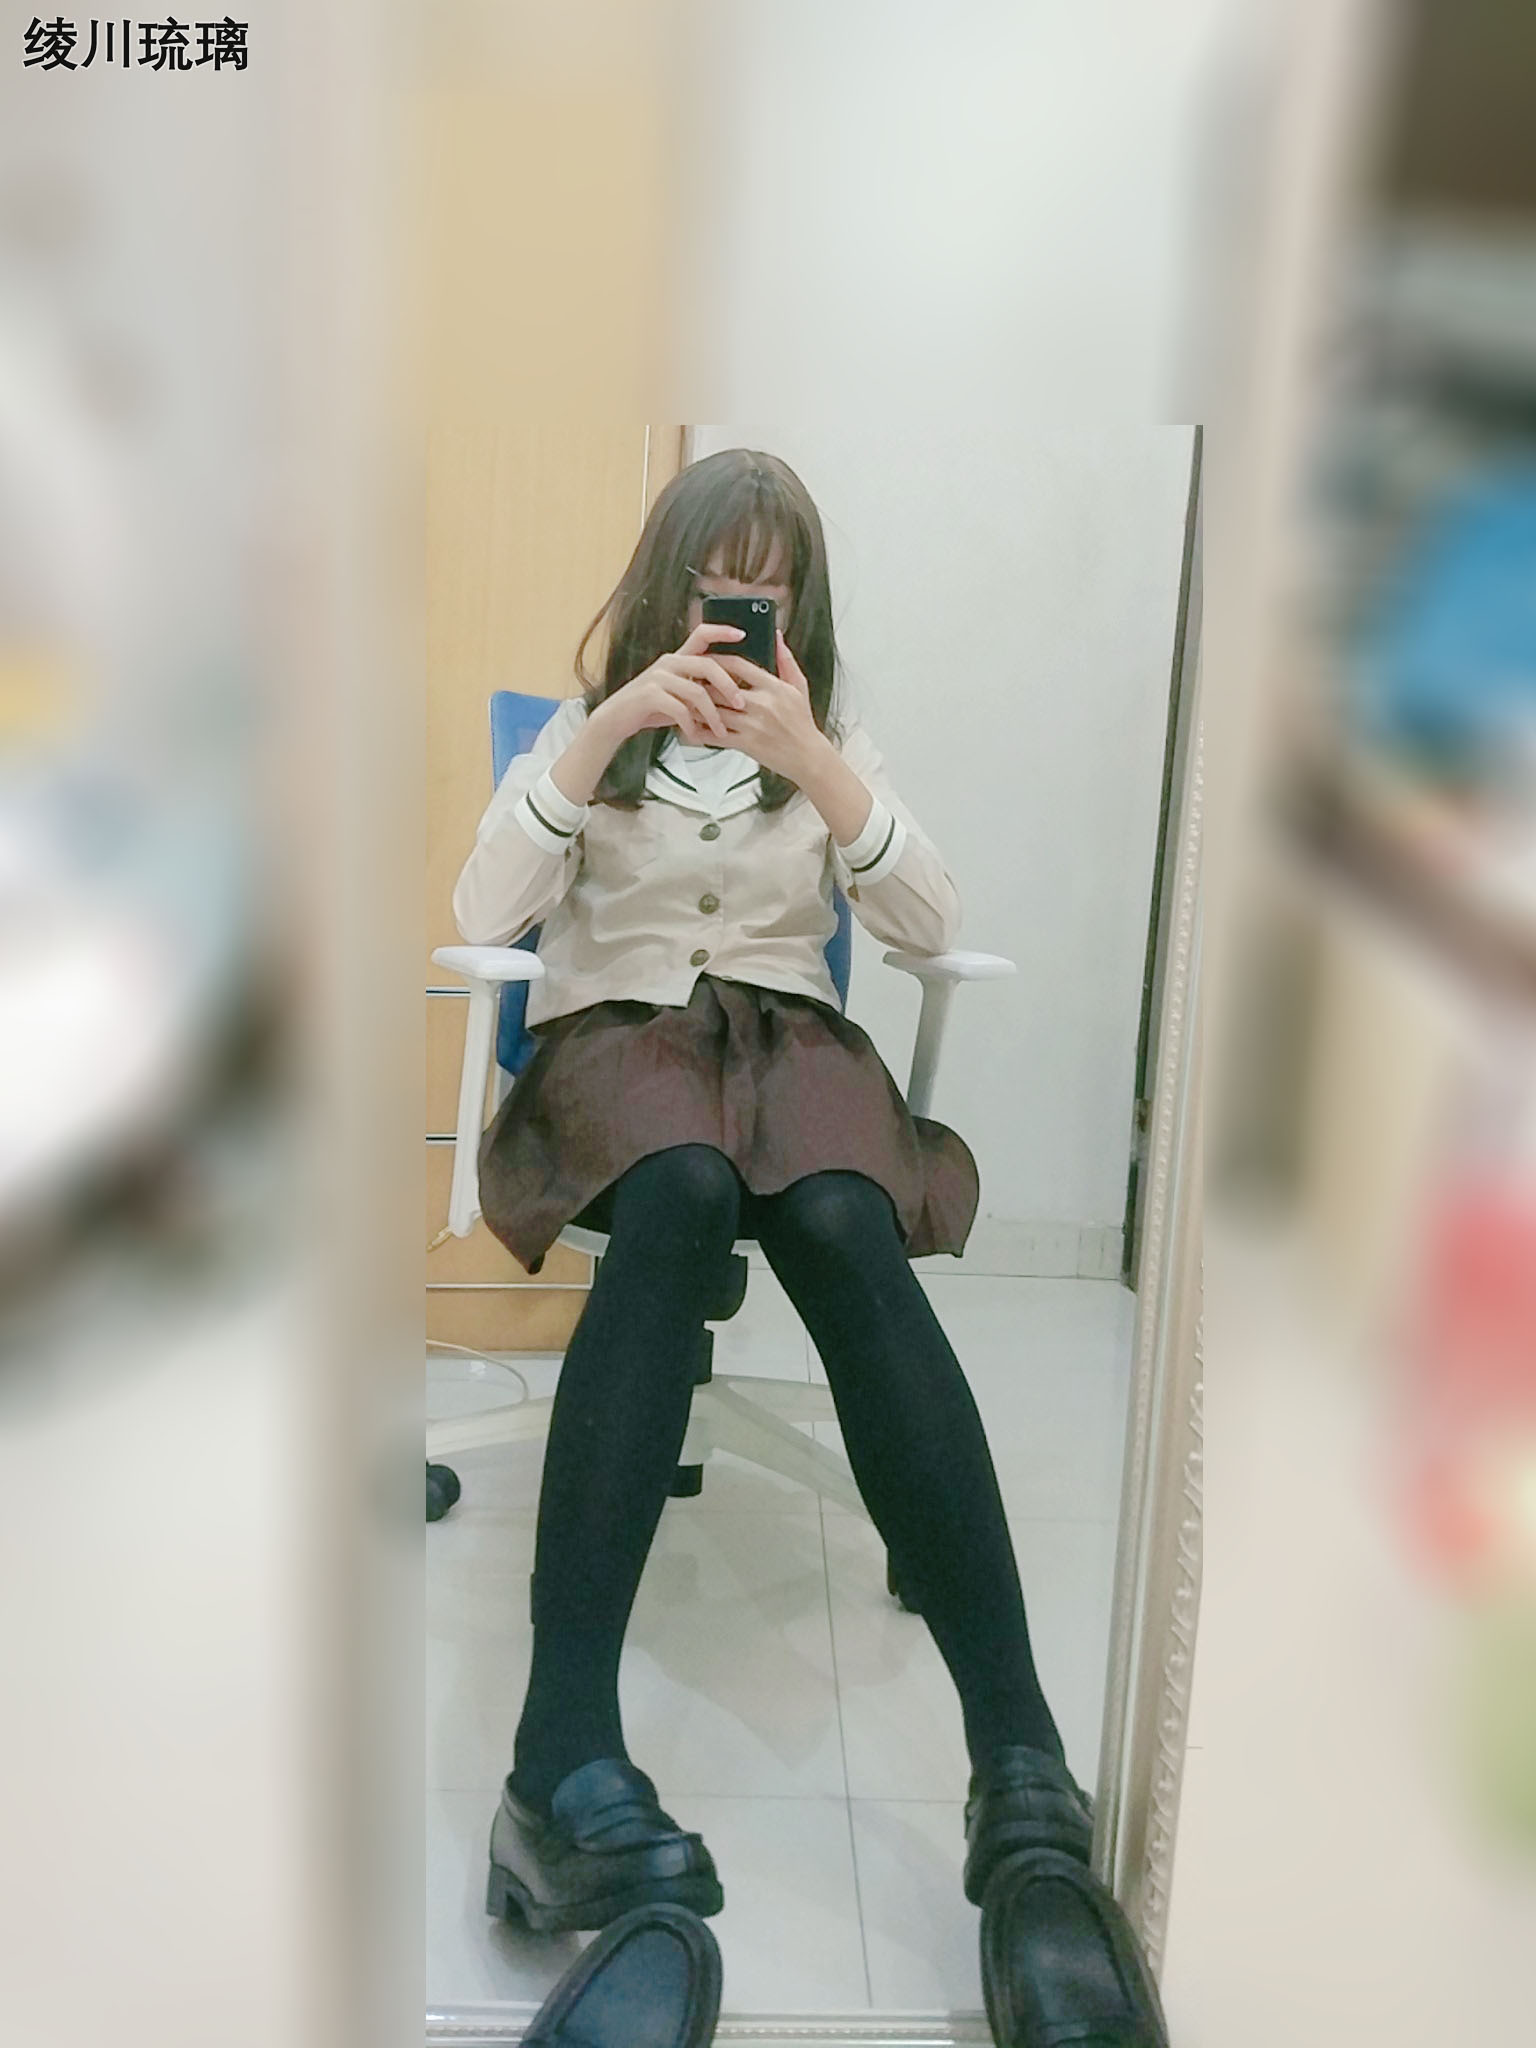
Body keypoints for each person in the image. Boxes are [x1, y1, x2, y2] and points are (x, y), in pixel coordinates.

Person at [451, 451, 1153, 2037]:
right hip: (622, 1048)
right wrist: (610, 730)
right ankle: (560, 1748)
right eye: (719, 591)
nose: (740, 621)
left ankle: (1020, 1763)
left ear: (802, 615)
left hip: (787, 1046)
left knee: (841, 1217)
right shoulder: (593, 734)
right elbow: (485, 908)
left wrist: (820, 764)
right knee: (686, 1189)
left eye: (769, 596)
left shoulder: (825, 747)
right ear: (668, 594)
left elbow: (929, 918)